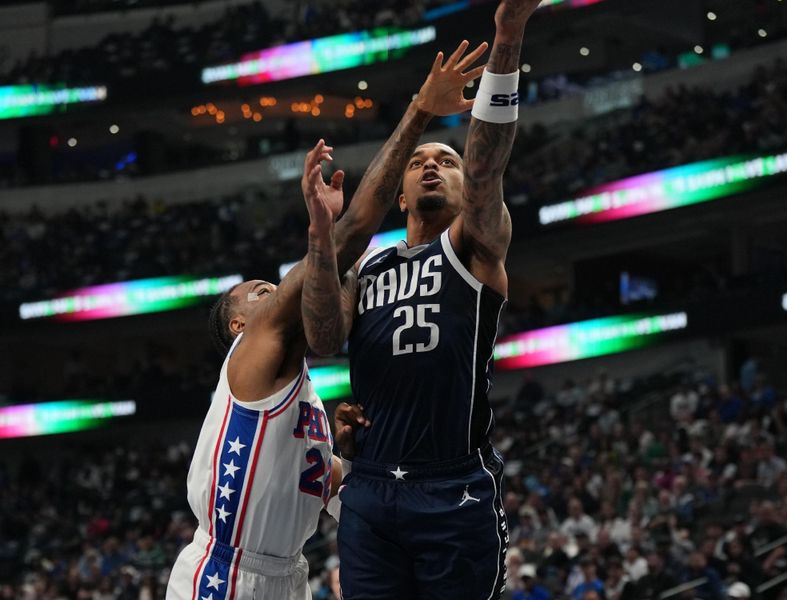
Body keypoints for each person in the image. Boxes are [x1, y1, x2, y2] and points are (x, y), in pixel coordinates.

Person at [165, 41, 478, 599]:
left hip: (289, 575)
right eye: (262, 291)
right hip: (225, 574)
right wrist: (421, 109)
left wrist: (352, 454)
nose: (275, 292)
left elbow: (334, 484)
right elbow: (354, 229)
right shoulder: (254, 351)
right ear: (241, 327)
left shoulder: (303, 399)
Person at [300, 1, 544, 597]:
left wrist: (507, 37)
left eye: (447, 161)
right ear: (401, 196)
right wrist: (321, 238)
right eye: (418, 163)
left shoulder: (475, 249)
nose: (432, 165)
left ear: (466, 191)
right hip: (374, 485)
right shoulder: (368, 266)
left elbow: (489, 162)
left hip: (453, 485)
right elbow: (321, 339)